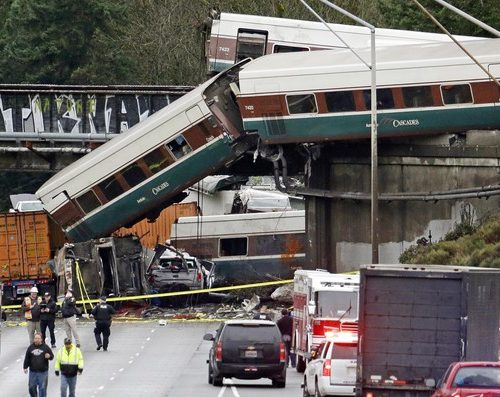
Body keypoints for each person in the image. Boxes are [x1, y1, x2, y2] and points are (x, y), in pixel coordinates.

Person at [23, 332, 54, 397]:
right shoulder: (30, 347)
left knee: (42, 388)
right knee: (31, 388)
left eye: (38, 338)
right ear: (34, 339)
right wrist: (25, 367)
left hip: (43, 372)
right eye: (35, 338)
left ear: (41, 339)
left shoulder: (45, 347)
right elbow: (27, 358)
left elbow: (52, 356)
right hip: (33, 372)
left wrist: (49, 356)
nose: (37, 340)